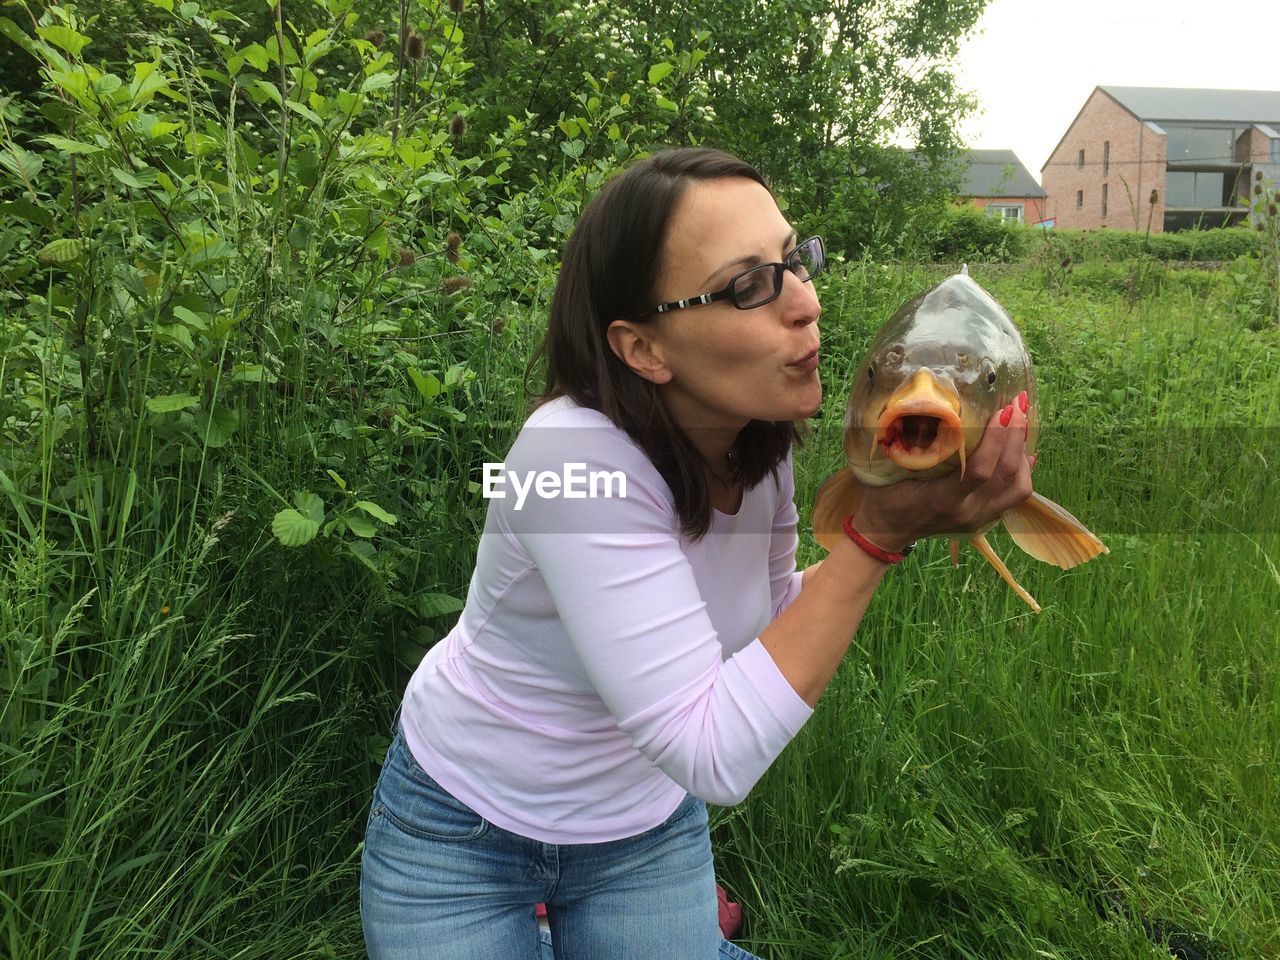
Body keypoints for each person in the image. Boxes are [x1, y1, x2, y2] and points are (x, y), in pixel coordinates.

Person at [359, 146, 1034, 959]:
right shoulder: (560, 459)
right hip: (466, 827)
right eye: (750, 285)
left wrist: (903, 527)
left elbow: (767, 612)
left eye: (795, 261)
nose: (807, 305)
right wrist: (875, 539)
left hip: (640, 824)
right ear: (644, 348)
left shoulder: (761, 444)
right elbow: (709, 752)